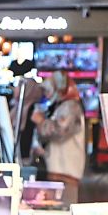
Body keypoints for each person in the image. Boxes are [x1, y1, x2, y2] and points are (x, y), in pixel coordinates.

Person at [29, 71, 86, 201]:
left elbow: (61, 131)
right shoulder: (61, 106)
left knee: (64, 211)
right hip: (59, 171)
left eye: (50, 90)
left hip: (66, 172)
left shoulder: (72, 107)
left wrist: (41, 121)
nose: (47, 95)